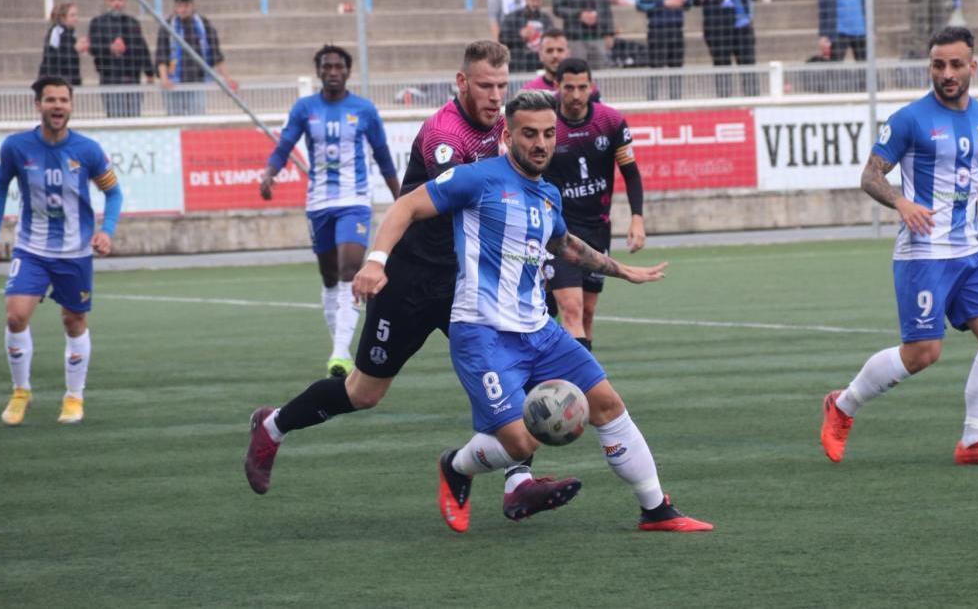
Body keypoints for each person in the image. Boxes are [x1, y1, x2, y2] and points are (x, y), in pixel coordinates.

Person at [353, 89, 713, 534]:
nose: (541, 143)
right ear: (508, 135)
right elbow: (407, 205)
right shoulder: (475, 179)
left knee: (607, 404)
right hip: (482, 334)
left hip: (539, 332)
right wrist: (376, 261)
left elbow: (564, 245)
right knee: (522, 440)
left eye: (548, 133)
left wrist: (622, 271)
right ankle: (457, 466)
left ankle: (656, 509)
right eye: (529, 134)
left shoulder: (548, 195)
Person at [245, 42, 573, 524]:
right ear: (461, 83)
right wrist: (377, 261)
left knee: (513, 370)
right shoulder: (445, 135)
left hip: (468, 283)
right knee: (364, 393)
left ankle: (518, 482)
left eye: (502, 86)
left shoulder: (508, 127)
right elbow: (465, 198)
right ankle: (272, 427)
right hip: (414, 282)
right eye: (485, 85)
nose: (495, 96)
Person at [820, 27, 978, 466]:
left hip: (971, 252)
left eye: (956, 64)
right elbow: (870, 175)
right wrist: (901, 202)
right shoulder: (909, 120)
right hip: (923, 253)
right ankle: (842, 406)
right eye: (939, 64)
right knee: (923, 354)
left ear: (973, 66)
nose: (947, 73)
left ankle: (973, 442)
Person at [0, 76, 124, 426]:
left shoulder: (88, 150)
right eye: (50, 100)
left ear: (71, 105)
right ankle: (21, 392)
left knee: (73, 320)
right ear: (38, 105)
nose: (57, 106)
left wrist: (106, 231)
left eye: (63, 99)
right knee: (15, 315)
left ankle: (74, 397)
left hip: (75, 252)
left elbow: (114, 193)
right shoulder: (16, 147)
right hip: (31, 248)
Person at [259, 45, 401, 377]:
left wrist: (402, 200)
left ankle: (339, 355)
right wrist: (268, 174)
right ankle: (341, 346)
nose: (333, 71)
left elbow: (382, 156)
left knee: (350, 269)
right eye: (327, 66)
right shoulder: (305, 108)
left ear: (348, 72)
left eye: (339, 66)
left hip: (354, 201)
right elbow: (284, 146)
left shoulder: (364, 110)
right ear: (319, 71)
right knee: (328, 277)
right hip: (319, 203)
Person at [543, 58, 645, 351]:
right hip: (558, 232)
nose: (576, 95)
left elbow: (631, 173)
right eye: (569, 87)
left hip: (598, 229)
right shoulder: (546, 125)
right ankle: (578, 385)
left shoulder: (610, 121)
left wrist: (637, 218)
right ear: (557, 87)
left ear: (591, 86)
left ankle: (582, 388)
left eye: (582, 87)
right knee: (571, 309)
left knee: (586, 313)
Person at [155, 0, 236, 116]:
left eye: (186, 5)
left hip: (197, 82)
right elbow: (161, 56)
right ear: (175, 7)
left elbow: (216, 54)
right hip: (174, 83)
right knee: (175, 122)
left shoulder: (204, 25)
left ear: (192, 6)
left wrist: (227, 78)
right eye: (180, 6)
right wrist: (164, 79)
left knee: (197, 122)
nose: (183, 9)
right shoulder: (167, 26)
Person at [88, 0, 155, 118]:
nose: (116, 3)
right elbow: (93, 47)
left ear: (124, 1)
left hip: (131, 77)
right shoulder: (97, 23)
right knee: (114, 117)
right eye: (112, 0)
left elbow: (142, 48)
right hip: (109, 77)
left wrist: (149, 73)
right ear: (107, 2)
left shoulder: (132, 22)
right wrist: (109, 48)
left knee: (134, 117)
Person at [636, 0, 692, 100]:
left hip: (676, 30)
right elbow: (640, 4)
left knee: (676, 71)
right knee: (655, 71)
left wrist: (683, 0)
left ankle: (676, 103)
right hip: (657, 31)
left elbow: (690, 2)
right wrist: (663, 3)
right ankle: (652, 103)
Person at [522, 28, 602, 101]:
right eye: (549, 51)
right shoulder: (529, 92)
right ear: (540, 55)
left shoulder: (586, 88)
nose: (555, 56)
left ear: (568, 53)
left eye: (560, 50)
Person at [499, 0, 555, 73]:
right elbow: (502, 39)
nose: (535, 4)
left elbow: (553, 39)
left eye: (538, 1)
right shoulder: (513, 17)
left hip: (540, 66)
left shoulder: (546, 19)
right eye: (533, 0)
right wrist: (520, 35)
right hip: (519, 65)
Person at [38, 3, 89, 86]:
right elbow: (52, 56)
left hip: (68, 81)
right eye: (72, 15)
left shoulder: (71, 33)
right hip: (56, 82)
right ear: (63, 18)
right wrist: (74, 49)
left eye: (76, 15)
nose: (76, 18)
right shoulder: (56, 31)